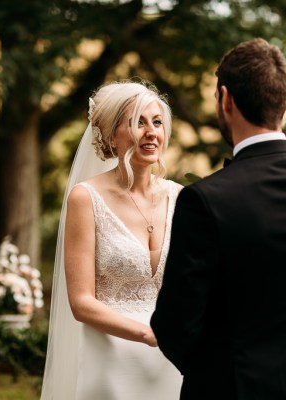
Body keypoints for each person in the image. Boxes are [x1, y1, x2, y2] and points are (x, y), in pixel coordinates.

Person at [151, 38, 286, 399]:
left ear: (226, 99)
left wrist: (217, 371)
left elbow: (175, 325)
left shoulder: (204, 201)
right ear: (284, 100)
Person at [41, 80, 182, 399]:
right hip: (111, 358)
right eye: (136, 123)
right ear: (110, 137)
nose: (151, 132)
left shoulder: (180, 198)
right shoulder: (86, 198)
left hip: (171, 361)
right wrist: (148, 334)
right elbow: (81, 302)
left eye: (156, 122)